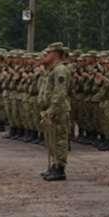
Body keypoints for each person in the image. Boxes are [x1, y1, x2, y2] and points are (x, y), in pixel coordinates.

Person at [38, 42, 73, 182]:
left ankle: (60, 169)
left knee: (59, 139)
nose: (45, 55)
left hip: (58, 110)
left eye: (48, 53)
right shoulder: (52, 70)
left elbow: (60, 93)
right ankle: (54, 165)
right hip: (51, 110)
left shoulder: (60, 70)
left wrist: (52, 110)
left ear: (56, 54)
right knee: (52, 139)